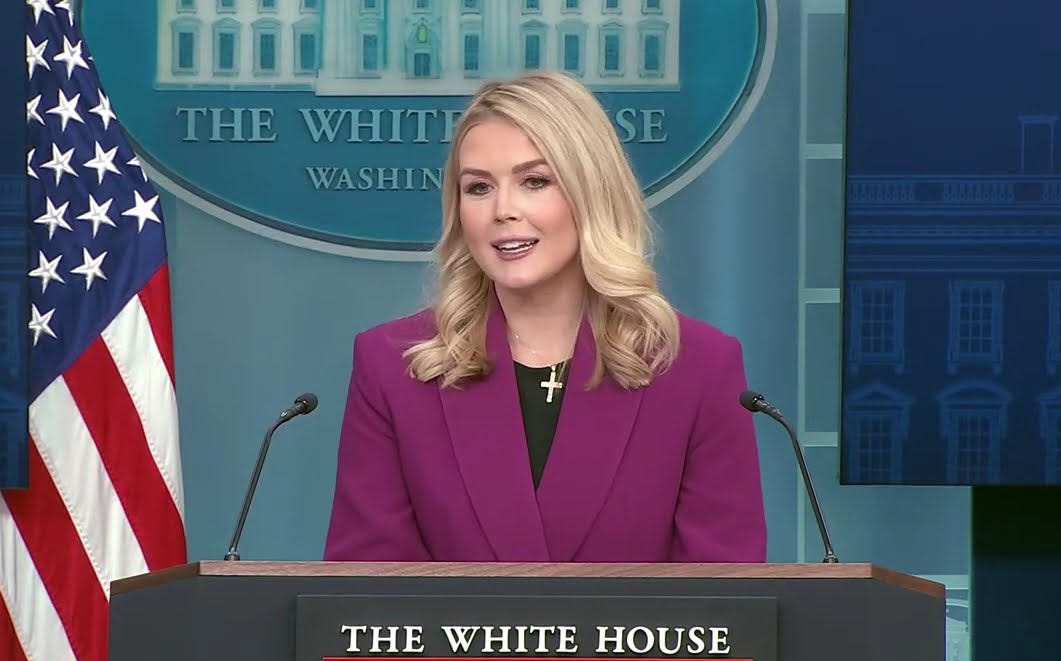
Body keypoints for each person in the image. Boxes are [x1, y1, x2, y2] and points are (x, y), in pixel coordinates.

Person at [323, 71, 766, 563]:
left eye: (534, 182)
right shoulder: (393, 367)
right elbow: (365, 592)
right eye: (478, 187)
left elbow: (724, 595)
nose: (503, 210)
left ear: (591, 193)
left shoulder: (698, 368)